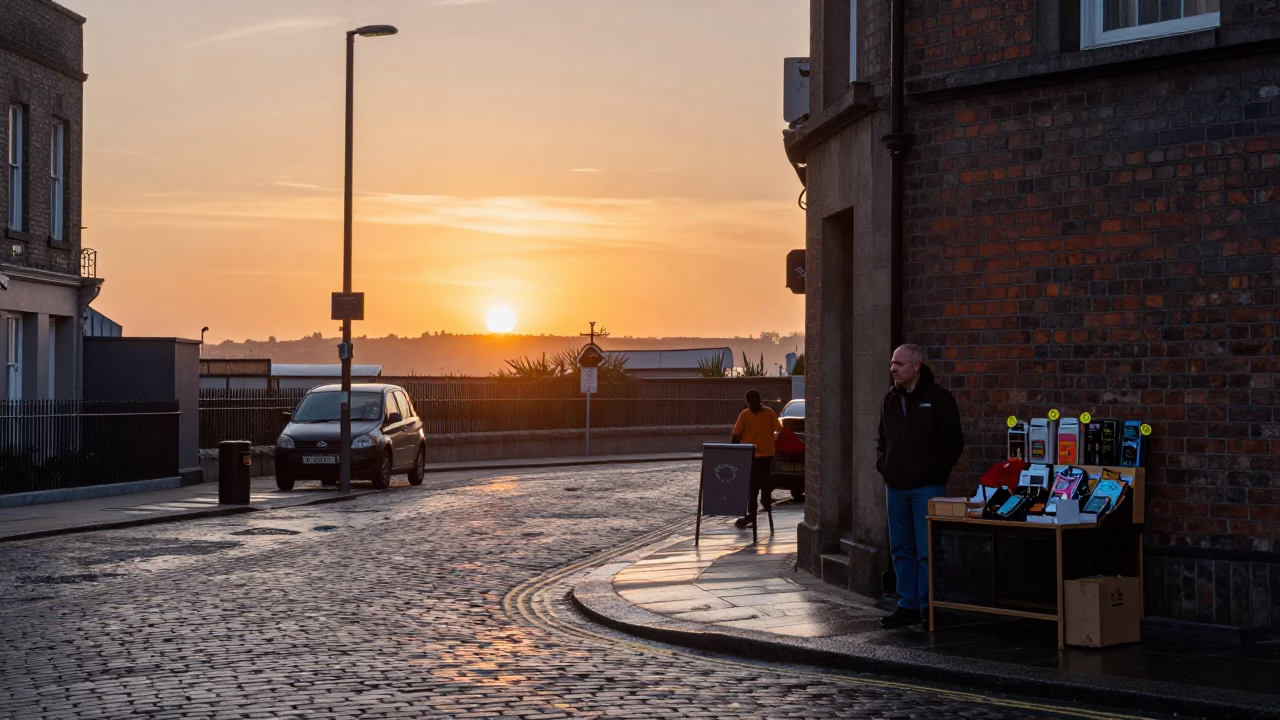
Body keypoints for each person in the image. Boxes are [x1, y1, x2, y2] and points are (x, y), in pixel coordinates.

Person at [875, 344, 964, 628]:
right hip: (896, 487)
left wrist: (933, 472)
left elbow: (954, 443)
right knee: (900, 548)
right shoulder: (889, 400)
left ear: (916, 366)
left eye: (899, 364)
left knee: (928, 549)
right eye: (892, 363)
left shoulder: (939, 399)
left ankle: (930, 607)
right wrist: (884, 465)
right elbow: (882, 439)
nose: (893, 369)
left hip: (927, 488)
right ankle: (908, 605)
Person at [731, 389, 784, 529]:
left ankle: (751, 511)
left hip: (751, 454)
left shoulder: (745, 415)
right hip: (767, 453)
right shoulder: (769, 413)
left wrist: (734, 452)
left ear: (747, 401)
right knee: (765, 480)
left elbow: (736, 435)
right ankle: (766, 503)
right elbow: (780, 429)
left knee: (752, 485)